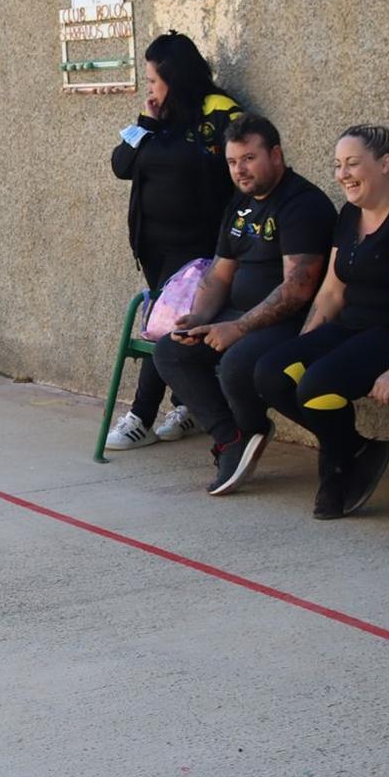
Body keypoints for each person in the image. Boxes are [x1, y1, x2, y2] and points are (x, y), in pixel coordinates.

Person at [254, 125, 389, 519]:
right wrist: (303, 346)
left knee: (318, 384)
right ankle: (354, 448)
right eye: (337, 165)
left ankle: (336, 471)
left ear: (385, 164)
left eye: (352, 164)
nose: (342, 174)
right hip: (355, 331)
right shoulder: (350, 214)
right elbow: (332, 292)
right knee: (271, 373)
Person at [152, 114, 336, 495]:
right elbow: (221, 274)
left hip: (293, 323)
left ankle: (255, 428)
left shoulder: (302, 205)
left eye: (249, 159)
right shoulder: (241, 204)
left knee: (237, 361)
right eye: (233, 162)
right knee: (171, 351)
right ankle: (232, 438)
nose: (240, 170)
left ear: (276, 154)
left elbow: (297, 290)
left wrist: (237, 327)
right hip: (240, 317)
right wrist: (199, 318)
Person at [105, 30, 241, 452]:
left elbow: (225, 173)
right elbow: (121, 164)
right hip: (154, 246)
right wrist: (148, 122)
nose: (149, 89)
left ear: (175, 76)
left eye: (152, 80)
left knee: (162, 326)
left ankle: (140, 417)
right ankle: (186, 404)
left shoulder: (218, 113)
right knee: (173, 325)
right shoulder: (156, 119)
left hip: (196, 246)